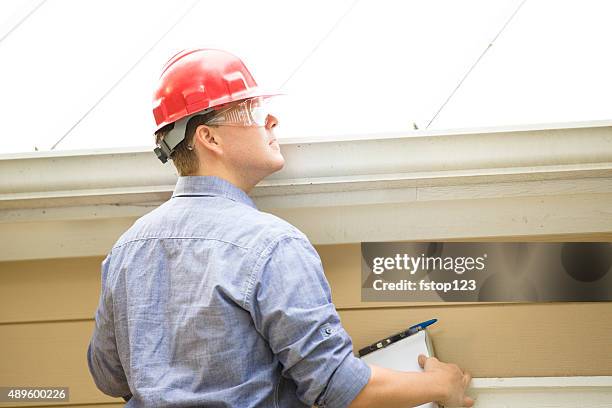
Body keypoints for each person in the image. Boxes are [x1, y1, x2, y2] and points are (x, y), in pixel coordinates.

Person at [87, 48, 474, 408]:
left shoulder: (125, 251)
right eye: (252, 110)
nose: (271, 120)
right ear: (209, 137)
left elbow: (107, 376)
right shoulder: (271, 245)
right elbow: (336, 385)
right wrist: (443, 384)